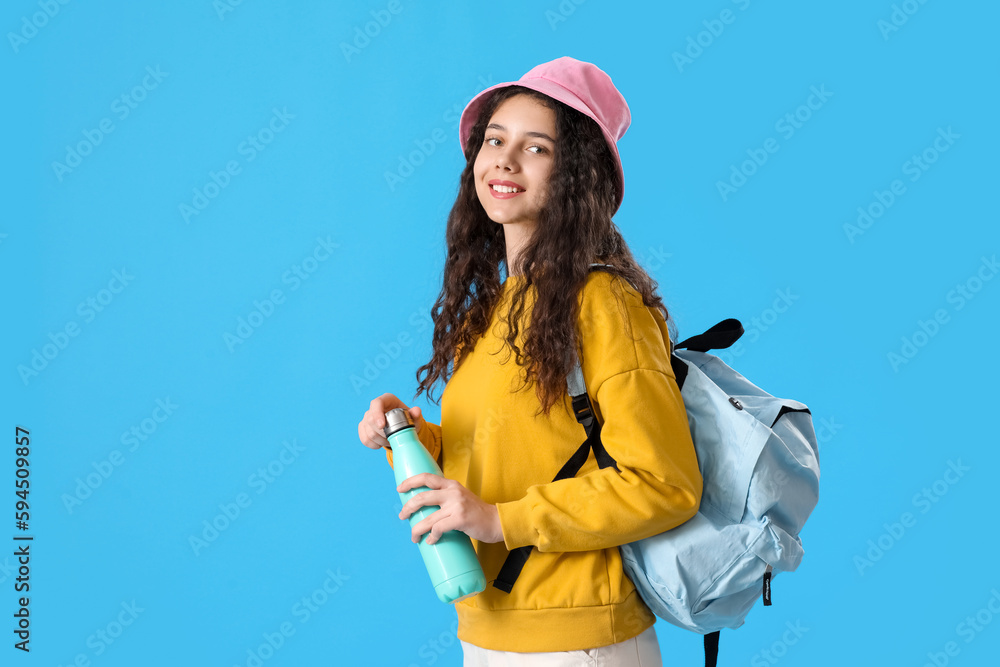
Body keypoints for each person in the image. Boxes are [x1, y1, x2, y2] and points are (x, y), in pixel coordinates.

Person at [357, 56, 702, 666]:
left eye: (536, 148)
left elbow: (664, 485)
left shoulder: (602, 303)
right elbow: (515, 451)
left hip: (580, 642)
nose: (504, 161)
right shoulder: (489, 309)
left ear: (575, 176)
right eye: (495, 139)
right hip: (487, 633)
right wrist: (410, 435)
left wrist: (499, 520)